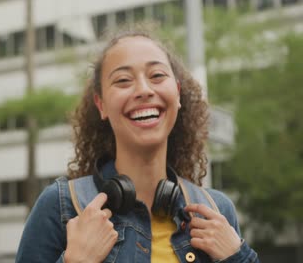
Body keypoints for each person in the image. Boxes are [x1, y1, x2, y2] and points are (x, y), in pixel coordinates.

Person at [16, 28, 259, 263]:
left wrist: (236, 258)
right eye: (123, 80)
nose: (144, 90)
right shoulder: (61, 206)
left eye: (157, 76)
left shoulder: (216, 211)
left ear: (177, 93)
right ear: (101, 105)